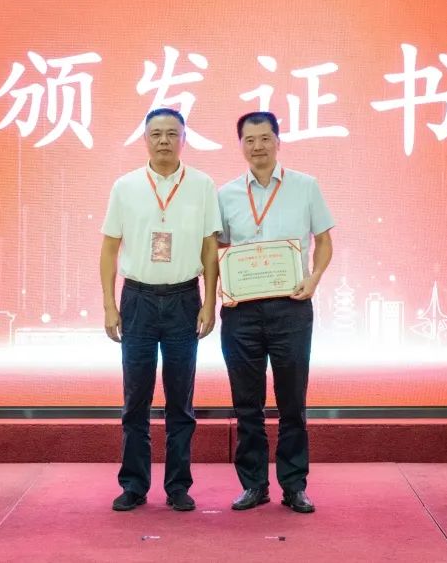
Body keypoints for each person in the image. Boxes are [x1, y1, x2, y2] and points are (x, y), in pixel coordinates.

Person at [100, 107, 221, 512]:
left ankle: (178, 486)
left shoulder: (202, 185)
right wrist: (109, 305)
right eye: (156, 134)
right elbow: (109, 249)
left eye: (172, 133)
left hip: (185, 299)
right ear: (145, 139)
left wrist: (209, 303)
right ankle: (134, 485)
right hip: (137, 300)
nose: (164, 140)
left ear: (184, 139)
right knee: (135, 398)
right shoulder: (126, 186)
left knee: (180, 400)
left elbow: (209, 248)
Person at [217, 111, 334, 514]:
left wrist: (313, 279)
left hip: (291, 307)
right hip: (241, 312)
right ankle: (254, 485)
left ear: (278, 141)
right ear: (241, 146)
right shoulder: (226, 194)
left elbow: (324, 242)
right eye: (249, 140)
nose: (258, 147)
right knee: (246, 404)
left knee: (292, 403)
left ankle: (294, 485)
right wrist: (224, 287)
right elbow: (219, 249)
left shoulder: (305, 186)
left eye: (265, 138)